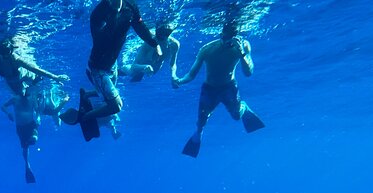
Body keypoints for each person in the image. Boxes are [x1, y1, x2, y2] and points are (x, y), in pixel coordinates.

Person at [63, 0, 161, 133]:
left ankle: (87, 94)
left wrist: (154, 43)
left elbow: (139, 25)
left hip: (113, 64)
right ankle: (85, 117)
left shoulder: (130, 6)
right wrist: (115, 13)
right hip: (98, 68)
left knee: (108, 94)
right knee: (116, 106)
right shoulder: (98, 13)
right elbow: (101, 41)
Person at [173, 21, 265, 157]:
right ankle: (197, 135)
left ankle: (243, 107)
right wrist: (180, 81)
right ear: (221, 34)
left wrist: (241, 54)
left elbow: (248, 72)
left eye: (231, 39)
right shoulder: (207, 49)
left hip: (229, 87)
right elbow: (192, 74)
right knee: (201, 123)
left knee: (237, 116)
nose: (228, 43)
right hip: (209, 89)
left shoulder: (243, 46)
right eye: (225, 38)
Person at [1, 87, 69, 183]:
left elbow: (38, 110)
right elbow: (3, 106)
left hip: (31, 124)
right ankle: (27, 165)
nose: (24, 91)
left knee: (33, 139)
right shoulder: (15, 98)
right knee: (25, 148)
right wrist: (8, 113)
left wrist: (38, 116)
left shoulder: (32, 98)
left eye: (26, 89)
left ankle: (32, 139)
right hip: (20, 128)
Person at [0, 39, 69, 96]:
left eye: (8, 53)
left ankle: (36, 84)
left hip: (26, 75)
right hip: (12, 82)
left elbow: (35, 69)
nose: (6, 56)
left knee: (35, 78)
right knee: (21, 95)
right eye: (3, 53)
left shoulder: (16, 59)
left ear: (12, 50)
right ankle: (30, 90)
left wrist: (55, 77)